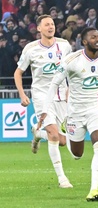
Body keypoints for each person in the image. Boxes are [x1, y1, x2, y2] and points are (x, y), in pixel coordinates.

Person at [43, 28, 98, 201]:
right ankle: (66, 129)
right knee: (77, 155)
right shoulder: (72, 60)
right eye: (93, 37)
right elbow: (54, 84)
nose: (97, 39)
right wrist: (45, 110)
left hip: (96, 109)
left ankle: (94, 189)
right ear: (84, 42)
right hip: (75, 113)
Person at [13, 15, 73, 188]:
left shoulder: (65, 46)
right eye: (46, 24)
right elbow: (18, 73)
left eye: (52, 24)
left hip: (60, 96)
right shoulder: (31, 49)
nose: (50, 27)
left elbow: (71, 70)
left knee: (62, 141)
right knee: (53, 134)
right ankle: (62, 178)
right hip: (41, 96)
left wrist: (70, 89)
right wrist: (22, 94)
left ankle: (38, 133)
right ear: (39, 28)